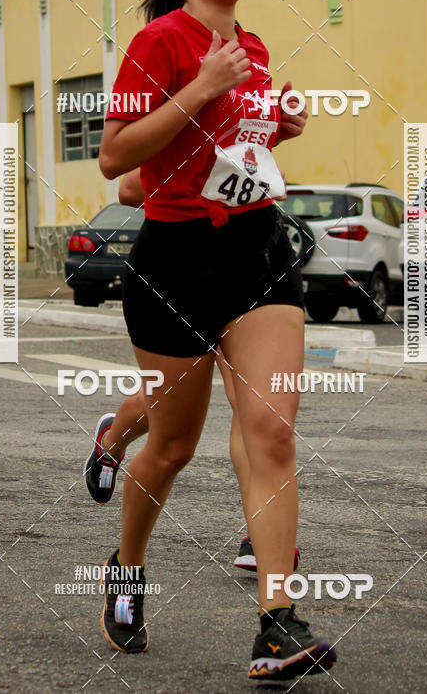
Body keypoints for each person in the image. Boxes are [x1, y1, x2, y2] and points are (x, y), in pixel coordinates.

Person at [95, 0, 336, 681]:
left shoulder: (255, 47)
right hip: (177, 265)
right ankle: (127, 568)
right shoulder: (159, 43)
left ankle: (277, 624)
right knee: (171, 446)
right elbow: (115, 158)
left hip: (259, 249)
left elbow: (234, 148)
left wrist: (278, 127)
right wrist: (200, 88)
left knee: (270, 431)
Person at [84, 167, 300, 574]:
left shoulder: (245, 104)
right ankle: (112, 441)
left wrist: (258, 177)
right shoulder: (173, 106)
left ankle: (258, 536)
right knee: (171, 417)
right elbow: (129, 186)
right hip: (179, 272)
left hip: (251, 269)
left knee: (255, 412)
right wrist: (205, 178)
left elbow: (271, 174)